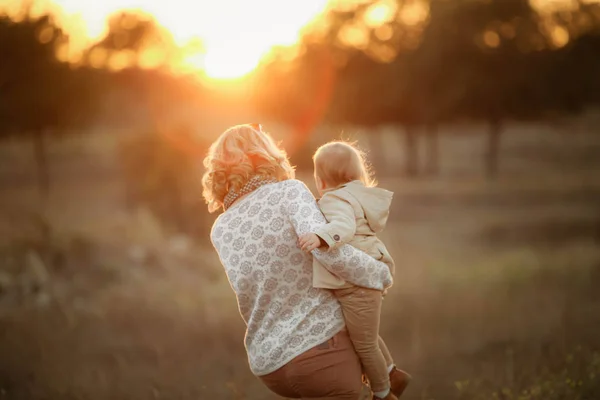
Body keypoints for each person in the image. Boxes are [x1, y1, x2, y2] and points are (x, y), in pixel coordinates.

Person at [203, 123, 393, 399]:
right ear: (265, 154)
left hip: (269, 366)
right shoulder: (288, 191)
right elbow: (329, 251)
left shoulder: (220, 228)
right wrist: (379, 273)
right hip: (320, 349)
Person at [298, 141, 412, 400]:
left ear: (321, 180)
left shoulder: (336, 198)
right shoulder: (356, 195)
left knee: (364, 343)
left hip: (358, 283)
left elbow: (344, 226)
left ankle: (383, 393)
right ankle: (393, 373)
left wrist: (320, 236)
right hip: (364, 276)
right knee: (363, 333)